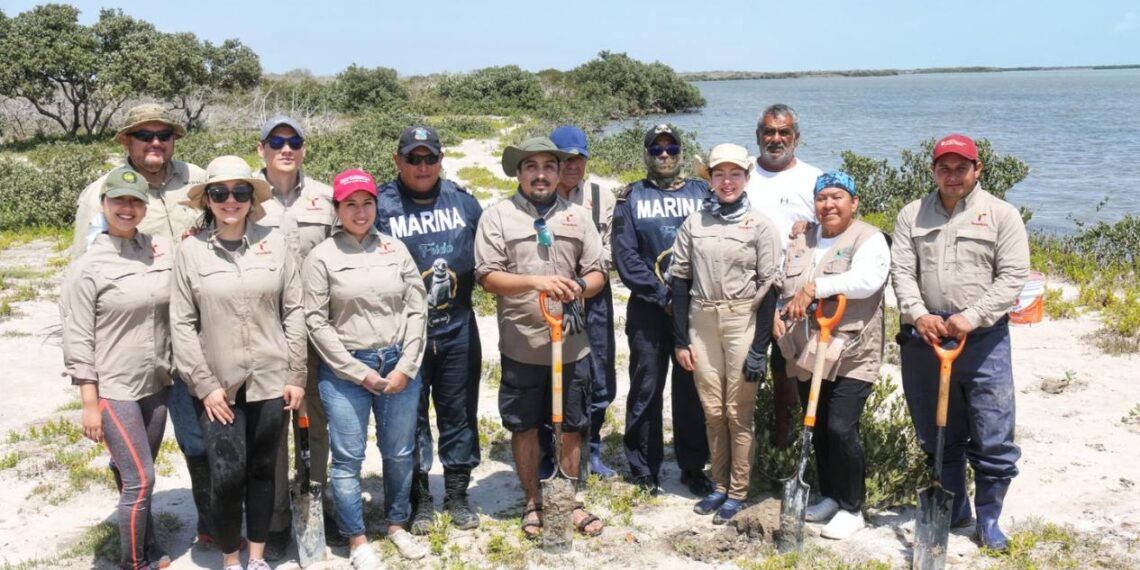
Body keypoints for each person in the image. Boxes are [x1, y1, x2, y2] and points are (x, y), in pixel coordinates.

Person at [67, 103, 217, 550]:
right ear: (126, 141)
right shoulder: (100, 192)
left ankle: (210, 525)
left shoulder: (199, 179)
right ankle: (139, 537)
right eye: (144, 135)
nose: (156, 142)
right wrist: (88, 386)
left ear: (174, 139)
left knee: (200, 442)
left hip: (193, 344)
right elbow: (84, 281)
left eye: (164, 134)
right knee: (138, 461)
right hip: (129, 353)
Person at [891, 134, 1030, 550]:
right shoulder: (911, 215)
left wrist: (971, 317)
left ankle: (989, 521)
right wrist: (920, 314)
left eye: (961, 168)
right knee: (937, 433)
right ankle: (953, 511)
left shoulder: (1002, 215)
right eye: (944, 168)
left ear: (977, 169)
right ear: (933, 170)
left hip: (983, 339)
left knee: (993, 435)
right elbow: (901, 272)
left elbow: (1012, 277)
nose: (952, 176)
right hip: (925, 339)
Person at [170, 156, 307, 570]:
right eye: (220, 193)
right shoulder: (190, 251)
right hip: (219, 385)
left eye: (240, 192)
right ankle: (231, 560)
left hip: (272, 377)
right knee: (227, 477)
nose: (231, 200)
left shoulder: (277, 242)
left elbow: (295, 309)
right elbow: (181, 321)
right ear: (207, 200)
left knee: (265, 470)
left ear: (252, 198)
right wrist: (204, 384)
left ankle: (258, 557)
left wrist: (296, 373)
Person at [474, 137, 606, 540]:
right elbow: (487, 276)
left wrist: (578, 287)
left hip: (571, 343)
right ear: (519, 173)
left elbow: (599, 273)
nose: (541, 174)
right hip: (522, 345)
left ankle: (568, 498)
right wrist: (535, 282)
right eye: (531, 166)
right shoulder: (497, 217)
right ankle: (533, 500)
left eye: (549, 165)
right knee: (525, 426)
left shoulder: (578, 217)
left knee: (571, 424)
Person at [304, 169, 430, 564]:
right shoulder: (322, 256)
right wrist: (356, 371)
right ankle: (356, 539)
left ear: (377, 205)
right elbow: (315, 321)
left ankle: (396, 525)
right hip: (345, 371)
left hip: (397, 364)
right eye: (350, 204)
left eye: (367, 203)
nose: (360, 212)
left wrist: (406, 366)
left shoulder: (395, 249)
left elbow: (417, 306)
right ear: (337, 209)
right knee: (347, 459)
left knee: (398, 451)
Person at [63, 167, 175, 570]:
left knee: (132, 472)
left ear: (145, 207)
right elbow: (77, 339)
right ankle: (134, 563)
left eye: (135, 201)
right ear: (104, 204)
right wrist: (89, 403)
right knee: (142, 479)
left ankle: (147, 538)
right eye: (119, 201)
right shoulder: (88, 266)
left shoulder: (158, 250)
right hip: (114, 388)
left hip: (157, 381)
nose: (127, 208)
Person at [376, 125, 484, 534]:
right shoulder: (382, 205)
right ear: (397, 160)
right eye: (413, 158)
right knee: (411, 418)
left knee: (458, 414)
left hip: (457, 329)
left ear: (441, 160)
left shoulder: (463, 202)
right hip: (404, 336)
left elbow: (494, 255)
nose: (422, 166)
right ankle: (419, 497)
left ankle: (457, 493)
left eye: (430, 158)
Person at [773, 171, 890, 540]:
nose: (829, 204)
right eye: (822, 198)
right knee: (819, 425)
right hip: (811, 350)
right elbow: (783, 280)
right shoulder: (803, 236)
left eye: (838, 197)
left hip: (854, 352)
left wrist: (816, 287)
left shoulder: (870, 239)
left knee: (841, 427)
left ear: (854, 202)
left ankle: (853, 507)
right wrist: (778, 312)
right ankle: (830, 496)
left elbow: (867, 280)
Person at [670, 144, 781, 524]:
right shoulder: (694, 223)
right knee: (713, 411)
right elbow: (680, 282)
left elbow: (770, 288)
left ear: (747, 178)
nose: (727, 181)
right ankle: (718, 485)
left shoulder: (762, 225)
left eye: (735, 174)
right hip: (701, 320)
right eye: (720, 174)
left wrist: (759, 349)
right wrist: (680, 339)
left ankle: (738, 491)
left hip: (742, 321)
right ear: (710, 180)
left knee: (739, 412)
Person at [252, 115, 338, 558]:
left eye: (294, 141)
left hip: (317, 327)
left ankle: (315, 503)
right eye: (277, 141)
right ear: (261, 148)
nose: (286, 148)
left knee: (317, 421)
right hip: (263, 331)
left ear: (304, 148)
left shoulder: (326, 197)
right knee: (271, 427)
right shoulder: (241, 194)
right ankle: (276, 519)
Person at [612, 123, 712, 496]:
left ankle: (693, 464)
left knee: (692, 391)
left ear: (682, 152)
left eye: (671, 149)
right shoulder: (631, 197)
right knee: (646, 388)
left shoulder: (704, 192)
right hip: (649, 311)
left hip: (696, 311)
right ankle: (642, 466)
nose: (665, 156)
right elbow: (626, 257)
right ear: (647, 154)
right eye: (657, 150)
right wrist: (664, 296)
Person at [540, 125, 618, 479]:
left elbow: (610, 250)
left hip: (593, 295)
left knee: (599, 372)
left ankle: (592, 447)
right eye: (566, 158)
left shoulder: (604, 196)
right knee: (552, 371)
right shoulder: (538, 195)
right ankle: (551, 446)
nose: (573, 165)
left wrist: (584, 282)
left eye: (579, 158)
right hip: (551, 297)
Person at [744, 104, 824, 449]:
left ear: (796, 138)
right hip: (745, 286)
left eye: (784, 132)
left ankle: (787, 443)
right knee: (742, 369)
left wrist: (815, 225)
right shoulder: (741, 173)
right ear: (758, 135)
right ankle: (746, 442)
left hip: (794, 290)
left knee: (789, 371)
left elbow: (837, 227)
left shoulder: (812, 178)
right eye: (769, 132)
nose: (776, 139)